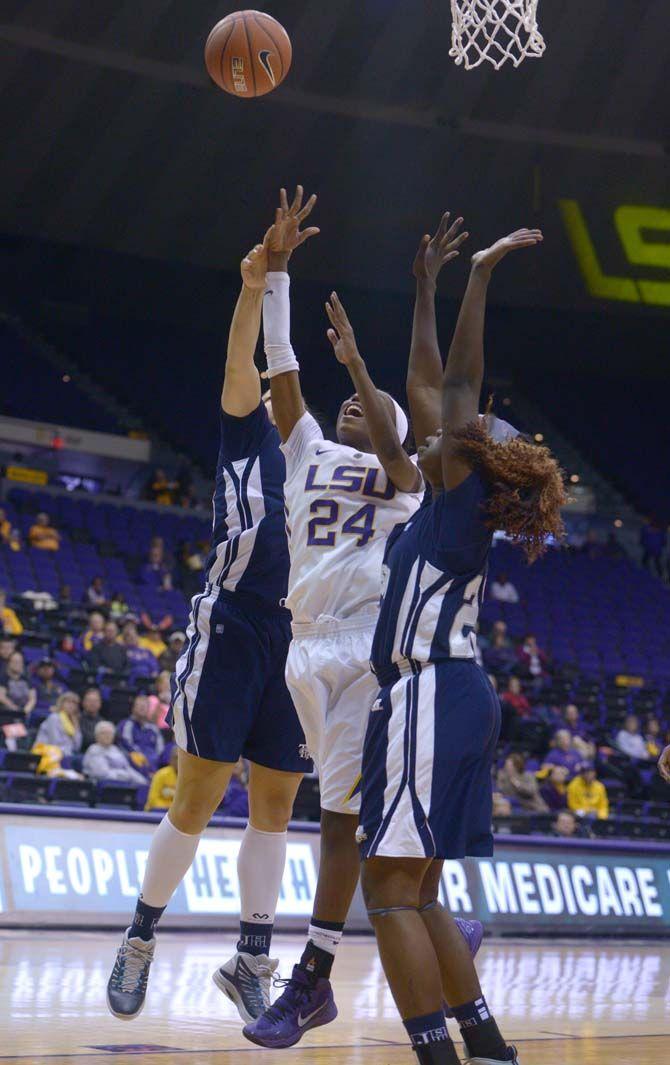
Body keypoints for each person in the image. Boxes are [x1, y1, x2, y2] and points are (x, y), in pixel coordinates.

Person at [353, 221, 564, 1065]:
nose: (437, 420)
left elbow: (459, 380)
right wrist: (423, 291)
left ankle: (436, 1055)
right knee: (422, 888)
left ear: (480, 450)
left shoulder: (465, 483)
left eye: (463, 424)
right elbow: (428, 383)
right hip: (455, 696)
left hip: (429, 691)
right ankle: (489, 1050)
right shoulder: (450, 495)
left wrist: (476, 278)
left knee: (389, 892)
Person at [244, 188, 449, 1051]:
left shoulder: (403, 484)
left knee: (341, 822)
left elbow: (409, 448)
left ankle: (313, 977)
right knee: (340, 815)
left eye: (370, 407)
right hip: (304, 653)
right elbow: (284, 368)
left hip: (369, 655)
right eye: (352, 401)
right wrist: (279, 274)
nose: (352, 406)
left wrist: (373, 373)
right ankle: (439, 921)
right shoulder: (306, 450)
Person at [107, 226, 310, 1028]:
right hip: (230, 624)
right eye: (268, 387)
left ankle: (251, 959)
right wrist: (256, 284)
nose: (270, 393)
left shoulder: (314, 460)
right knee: (196, 795)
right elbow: (241, 359)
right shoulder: (243, 432)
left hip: (295, 642)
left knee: (276, 807)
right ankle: (139, 937)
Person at [83, 720, 147, 786]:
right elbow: (103, 774)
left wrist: (143, 781)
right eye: (103, 733)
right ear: (96, 736)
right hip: (102, 786)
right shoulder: (94, 750)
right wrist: (125, 775)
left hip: (121, 783)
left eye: (110, 733)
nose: (107, 736)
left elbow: (127, 768)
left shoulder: (115, 749)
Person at [115, 694, 164, 778]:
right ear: (133, 708)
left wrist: (153, 761)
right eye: (139, 705)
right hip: (133, 766)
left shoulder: (154, 728)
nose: (142, 708)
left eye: (145, 706)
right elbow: (126, 744)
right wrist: (143, 759)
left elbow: (160, 750)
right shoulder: (126, 724)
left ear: (148, 709)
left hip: (154, 765)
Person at [34, 691, 82, 757]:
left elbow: (77, 746)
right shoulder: (54, 718)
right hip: (47, 752)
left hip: (65, 752)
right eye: (68, 702)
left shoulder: (74, 721)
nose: (71, 705)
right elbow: (55, 742)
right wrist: (68, 750)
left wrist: (76, 727)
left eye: (74, 703)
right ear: (61, 704)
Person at [0, 651, 36, 719]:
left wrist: (26, 710)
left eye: (19, 662)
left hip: (24, 712)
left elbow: (32, 698)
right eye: (14, 661)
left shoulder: (27, 680)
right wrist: (15, 709)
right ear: (8, 663)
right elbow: (2, 697)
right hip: (7, 713)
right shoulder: (3, 678)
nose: (17, 664)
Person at [31, 658, 65, 723]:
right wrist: (49, 707)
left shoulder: (60, 685)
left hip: (59, 712)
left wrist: (59, 707)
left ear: (54, 670)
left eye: (49, 667)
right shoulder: (33, 683)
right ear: (38, 670)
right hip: (41, 713)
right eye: (43, 667)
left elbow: (67, 698)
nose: (46, 669)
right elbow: (32, 701)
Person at [80, 686, 104, 751]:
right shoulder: (76, 719)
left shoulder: (103, 722)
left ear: (100, 703)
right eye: (89, 700)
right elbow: (84, 740)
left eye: (95, 701)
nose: (92, 703)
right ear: (83, 702)